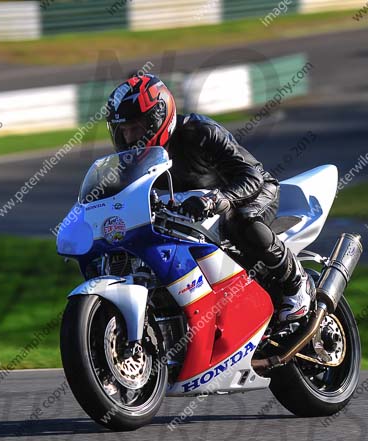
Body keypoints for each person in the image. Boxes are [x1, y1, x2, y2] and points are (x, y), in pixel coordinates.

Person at [105, 74, 312, 322]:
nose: (129, 138)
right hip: (194, 211)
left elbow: (251, 176)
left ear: (157, 119)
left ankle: (296, 282)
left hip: (250, 191)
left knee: (240, 219)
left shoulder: (200, 132)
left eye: (136, 128)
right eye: (124, 130)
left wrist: (217, 198)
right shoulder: (131, 161)